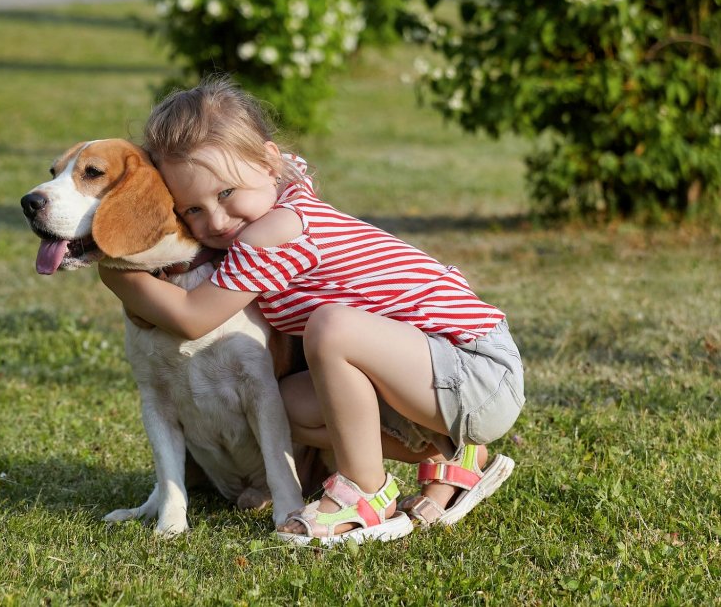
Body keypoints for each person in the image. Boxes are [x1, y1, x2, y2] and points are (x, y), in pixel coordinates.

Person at [99, 76, 525, 546]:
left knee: (331, 326)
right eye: (193, 210)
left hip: (476, 368)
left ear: (267, 160)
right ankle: (453, 456)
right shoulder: (276, 188)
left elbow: (193, 317)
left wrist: (114, 268)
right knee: (291, 406)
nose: (216, 222)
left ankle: (366, 494)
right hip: (424, 375)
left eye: (224, 194)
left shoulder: (273, 233)